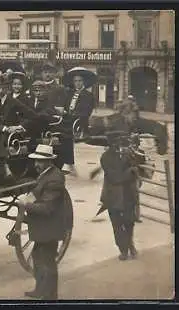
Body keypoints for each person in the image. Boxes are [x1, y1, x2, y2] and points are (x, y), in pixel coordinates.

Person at [15, 144, 72, 300]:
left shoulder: (55, 179)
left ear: (49, 162)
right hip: (44, 226)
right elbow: (36, 193)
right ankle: (40, 290)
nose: (36, 165)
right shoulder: (46, 175)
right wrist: (27, 199)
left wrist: (25, 205)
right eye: (36, 161)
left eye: (40, 161)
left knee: (47, 261)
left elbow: (47, 208)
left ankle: (50, 295)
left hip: (50, 227)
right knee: (38, 257)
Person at [100, 131, 139, 261]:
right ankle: (124, 249)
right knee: (117, 225)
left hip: (128, 195)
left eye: (120, 141)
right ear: (110, 143)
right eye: (115, 142)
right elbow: (115, 177)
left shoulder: (128, 154)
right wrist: (129, 171)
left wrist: (133, 155)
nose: (118, 145)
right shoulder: (105, 157)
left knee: (129, 222)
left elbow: (139, 169)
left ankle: (129, 245)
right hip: (113, 197)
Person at [0, 73, 26, 190]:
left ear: (8, 88)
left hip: (10, 136)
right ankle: (4, 167)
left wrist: (20, 126)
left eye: (4, 87)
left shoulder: (13, 102)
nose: (1, 90)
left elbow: (28, 114)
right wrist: (4, 128)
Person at [33, 62, 74, 175]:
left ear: (55, 74)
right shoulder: (36, 86)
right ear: (41, 73)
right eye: (45, 72)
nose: (47, 75)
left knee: (64, 135)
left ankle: (64, 162)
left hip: (54, 118)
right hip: (39, 118)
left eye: (50, 72)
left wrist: (59, 110)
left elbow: (64, 104)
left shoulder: (59, 88)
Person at [63, 67, 97, 138]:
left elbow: (87, 111)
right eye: (75, 81)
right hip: (67, 123)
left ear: (83, 81)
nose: (78, 83)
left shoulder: (88, 95)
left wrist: (73, 115)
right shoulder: (69, 94)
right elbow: (65, 106)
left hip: (81, 123)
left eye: (80, 81)